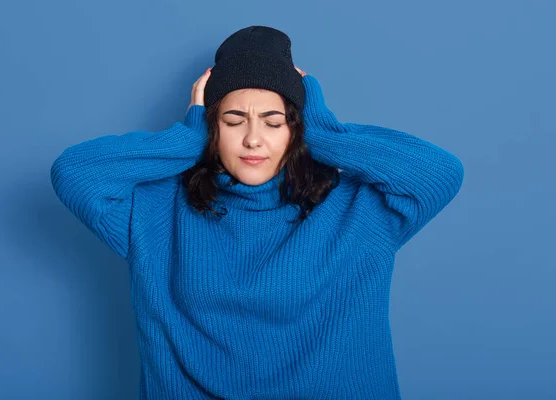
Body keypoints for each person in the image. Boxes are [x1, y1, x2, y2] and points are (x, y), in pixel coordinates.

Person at [51, 25, 464, 399]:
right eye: (233, 121)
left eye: (273, 121)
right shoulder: (157, 212)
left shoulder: (358, 211)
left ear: (295, 128)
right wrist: (186, 138)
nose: (252, 139)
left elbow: (439, 172)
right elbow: (75, 172)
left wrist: (322, 131)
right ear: (212, 129)